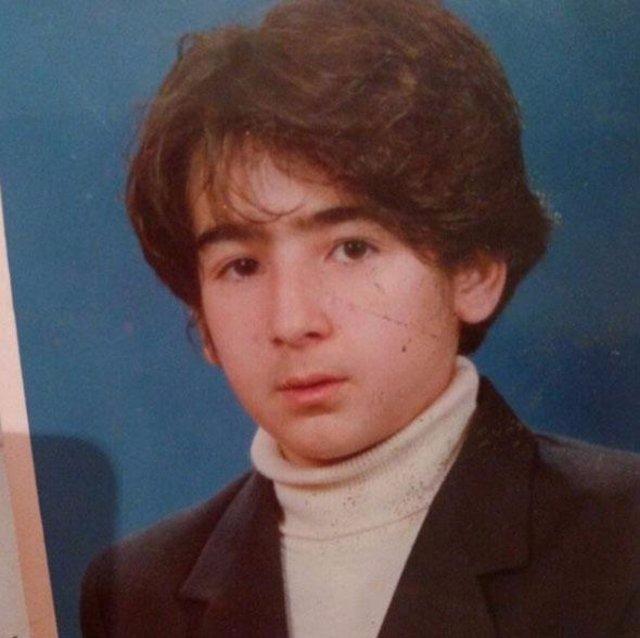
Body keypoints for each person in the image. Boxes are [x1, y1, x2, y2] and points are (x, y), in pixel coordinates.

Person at [80, 0, 640, 635]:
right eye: (241, 265)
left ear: (475, 271)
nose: (292, 321)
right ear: (201, 318)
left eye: (352, 249)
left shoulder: (621, 540)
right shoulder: (135, 592)